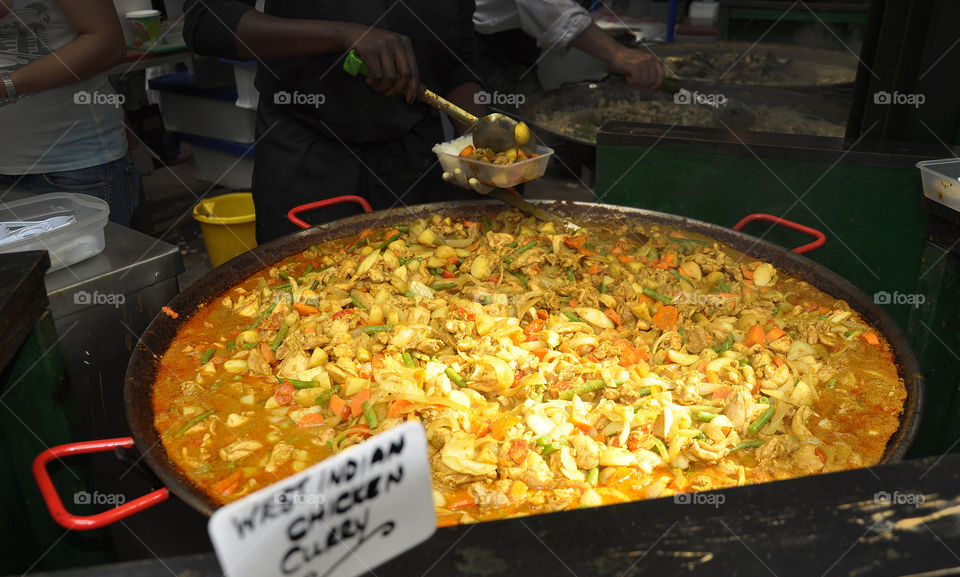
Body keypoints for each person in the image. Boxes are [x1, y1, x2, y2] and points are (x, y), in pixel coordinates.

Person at [183, 1, 486, 243]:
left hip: (415, 160)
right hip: (309, 158)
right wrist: (341, 34)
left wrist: (482, 143)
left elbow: (460, 57)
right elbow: (207, 19)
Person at [0, 0, 139, 226]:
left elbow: (107, 45)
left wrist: (7, 86)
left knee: (93, 260)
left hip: (72, 166)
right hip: (6, 163)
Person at [474, 0, 664, 90]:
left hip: (518, 46)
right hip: (481, 47)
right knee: (501, 143)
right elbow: (548, 6)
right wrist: (617, 53)